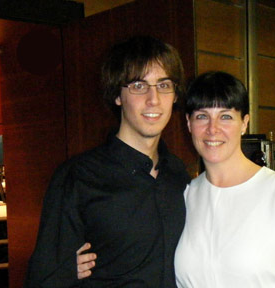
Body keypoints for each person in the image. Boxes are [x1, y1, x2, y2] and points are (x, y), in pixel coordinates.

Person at [78, 71, 275, 287]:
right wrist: (74, 264)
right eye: (202, 116)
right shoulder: (185, 192)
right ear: (189, 124)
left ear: (245, 123)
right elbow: (145, 249)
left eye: (226, 116)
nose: (213, 129)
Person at [24, 35, 191, 287]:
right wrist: (63, 270)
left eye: (164, 85)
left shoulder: (178, 174)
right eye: (138, 86)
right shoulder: (77, 176)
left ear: (175, 95)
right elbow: (43, 277)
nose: (154, 99)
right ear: (117, 95)